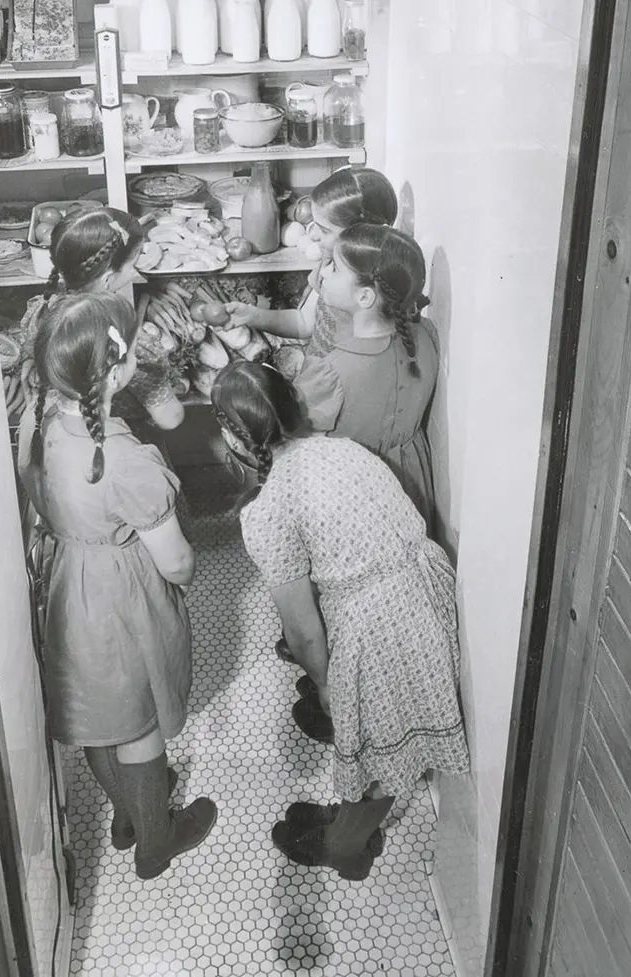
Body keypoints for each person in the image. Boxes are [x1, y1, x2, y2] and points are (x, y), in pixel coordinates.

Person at [211, 362, 469, 881]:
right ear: (292, 406)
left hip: (380, 629)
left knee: (379, 756)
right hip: (425, 594)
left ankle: (346, 846)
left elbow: (302, 629)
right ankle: (350, 821)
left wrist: (328, 685)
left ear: (234, 440)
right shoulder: (344, 447)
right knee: (388, 738)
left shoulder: (266, 512)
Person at [18, 291, 217, 879]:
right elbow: (176, 561)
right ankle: (157, 839)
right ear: (119, 364)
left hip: (69, 581)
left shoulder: (39, 417)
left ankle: (129, 813)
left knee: (98, 710)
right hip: (119, 591)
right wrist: (185, 574)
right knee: (140, 720)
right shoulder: (125, 461)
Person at [293, 223, 439, 529]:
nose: (322, 273)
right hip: (411, 488)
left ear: (364, 297)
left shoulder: (328, 372)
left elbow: (300, 452)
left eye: (333, 268)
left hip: (353, 496)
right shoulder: (426, 337)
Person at [19, 206, 184, 433]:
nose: (133, 272)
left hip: (59, 433)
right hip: (112, 442)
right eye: (132, 265)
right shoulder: (124, 341)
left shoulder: (42, 311)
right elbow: (170, 419)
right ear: (108, 279)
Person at [222, 166, 399, 360]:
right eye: (313, 224)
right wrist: (252, 316)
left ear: (360, 237)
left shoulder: (371, 293)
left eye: (324, 230)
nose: (312, 235)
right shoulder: (327, 266)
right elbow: (305, 322)